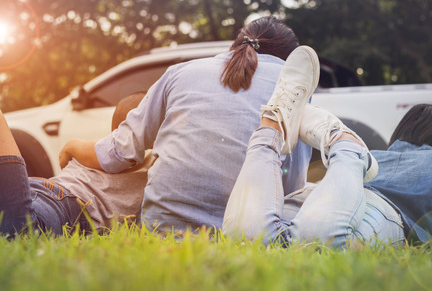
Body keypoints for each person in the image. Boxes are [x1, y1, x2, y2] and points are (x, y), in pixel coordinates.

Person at [59, 16, 314, 233]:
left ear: (236, 44)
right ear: (291, 57)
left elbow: (118, 153)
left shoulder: (180, 71)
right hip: (247, 231)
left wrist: (72, 146)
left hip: (160, 226)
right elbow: (290, 185)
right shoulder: (293, 86)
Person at [222, 47, 432, 248]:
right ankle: (345, 143)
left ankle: (273, 123)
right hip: (373, 211)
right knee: (315, 244)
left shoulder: (382, 156)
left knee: (246, 241)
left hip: (320, 198)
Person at [0, 92, 154, 238]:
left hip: (45, 189)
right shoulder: (152, 158)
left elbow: (65, 155)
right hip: (66, 201)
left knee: (13, 227)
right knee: (18, 231)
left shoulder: (98, 151)